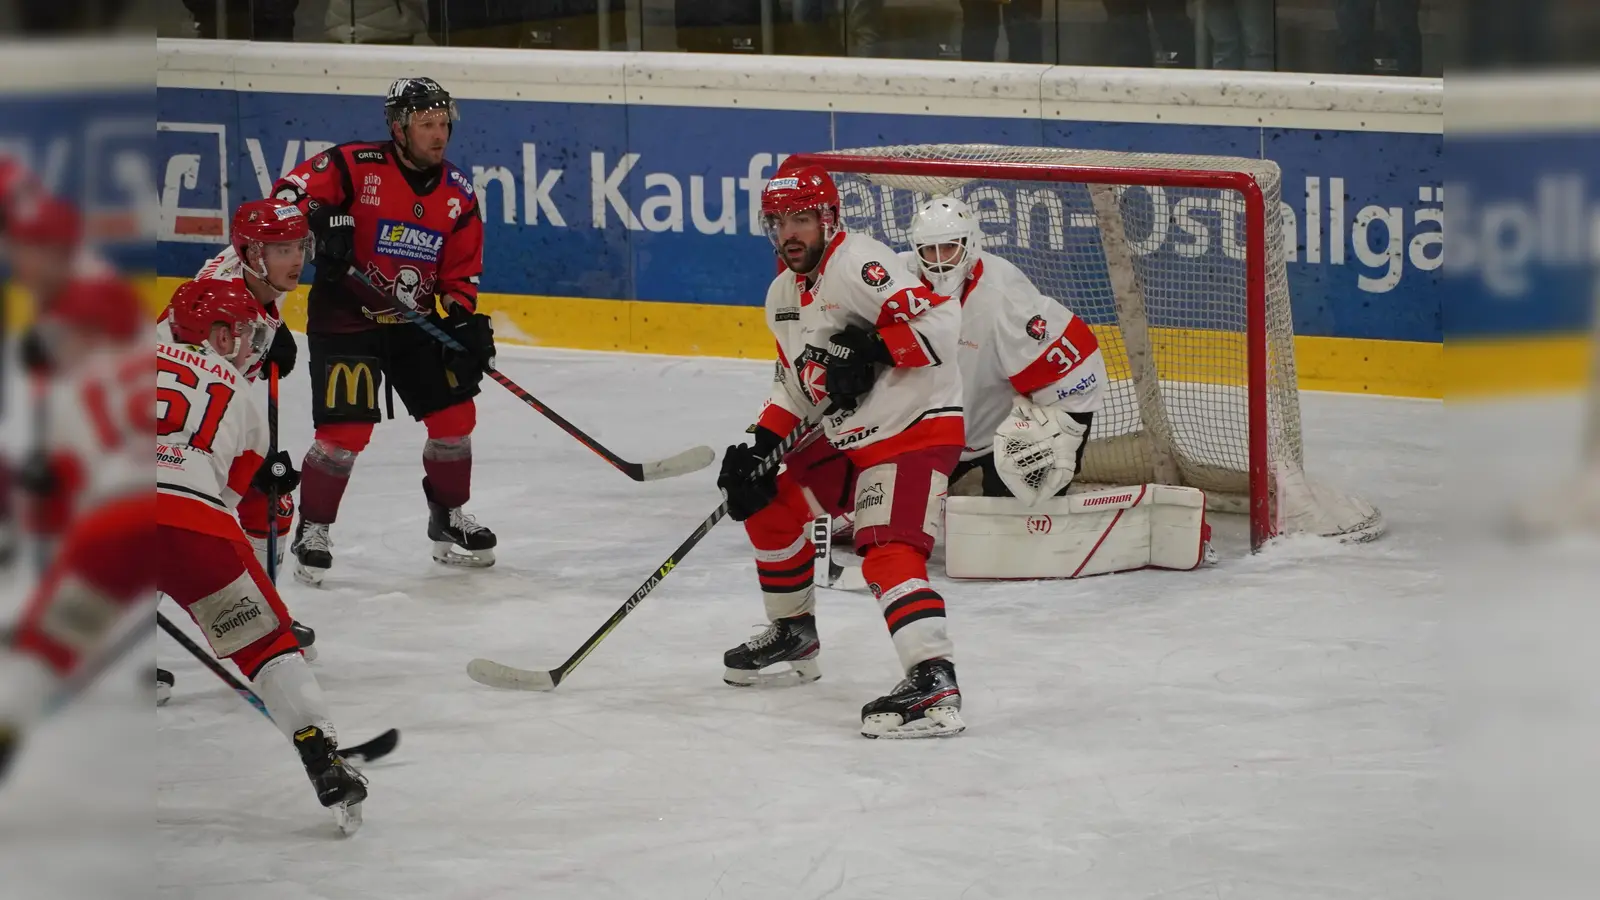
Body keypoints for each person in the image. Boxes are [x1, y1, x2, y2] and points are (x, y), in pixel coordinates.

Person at [716, 165, 966, 739]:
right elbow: (794, 386)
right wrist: (758, 442)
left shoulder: (858, 263)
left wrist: (875, 346)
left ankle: (934, 679)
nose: (789, 234)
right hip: (849, 437)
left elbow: (942, 323)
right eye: (778, 223)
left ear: (828, 219)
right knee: (764, 497)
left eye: (801, 219)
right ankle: (794, 633)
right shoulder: (781, 294)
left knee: (886, 550)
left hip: (914, 428)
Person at [270, 76, 497, 586]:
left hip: (413, 323)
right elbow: (286, 197)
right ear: (399, 127)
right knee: (344, 434)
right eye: (426, 125)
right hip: (346, 319)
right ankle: (315, 528)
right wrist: (322, 220)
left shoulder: (458, 192)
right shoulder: (355, 165)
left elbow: (460, 272)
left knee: (456, 418)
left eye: (443, 125)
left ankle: (448, 516)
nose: (439, 136)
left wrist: (461, 319)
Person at [154, 279, 367, 821]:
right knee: (269, 647)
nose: (251, 344)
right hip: (195, 522)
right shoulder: (241, 396)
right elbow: (227, 497)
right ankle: (323, 756)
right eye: (244, 333)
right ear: (220, 336)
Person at [154, 198, 317, 683]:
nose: (296, 260)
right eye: (281, 248)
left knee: (272, 506)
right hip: (177, 432)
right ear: (249, 253)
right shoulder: (218, 292)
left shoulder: (261, 273)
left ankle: (261, 619)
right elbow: (194, 384)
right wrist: (252, 451)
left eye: (299, 246)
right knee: (175, 523)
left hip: (216, 412)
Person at [0, 277, 152, 784]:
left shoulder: (75, 393)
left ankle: (10, 721)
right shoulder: (173, 361)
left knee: (54, 638)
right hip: (184, 515)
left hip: (109, 531)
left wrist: (37, 493)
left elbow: (54, 511)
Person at [899, 196, 1106, 504]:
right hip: (940, 433)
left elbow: (1079, 363)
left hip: (1006, 437)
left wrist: (1061, 439)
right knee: (888, 512)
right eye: (931, 249)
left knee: (1013, 524)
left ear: (970, 244)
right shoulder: (896, 280)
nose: (940, 260)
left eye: (949, 247)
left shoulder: (1004, 297)